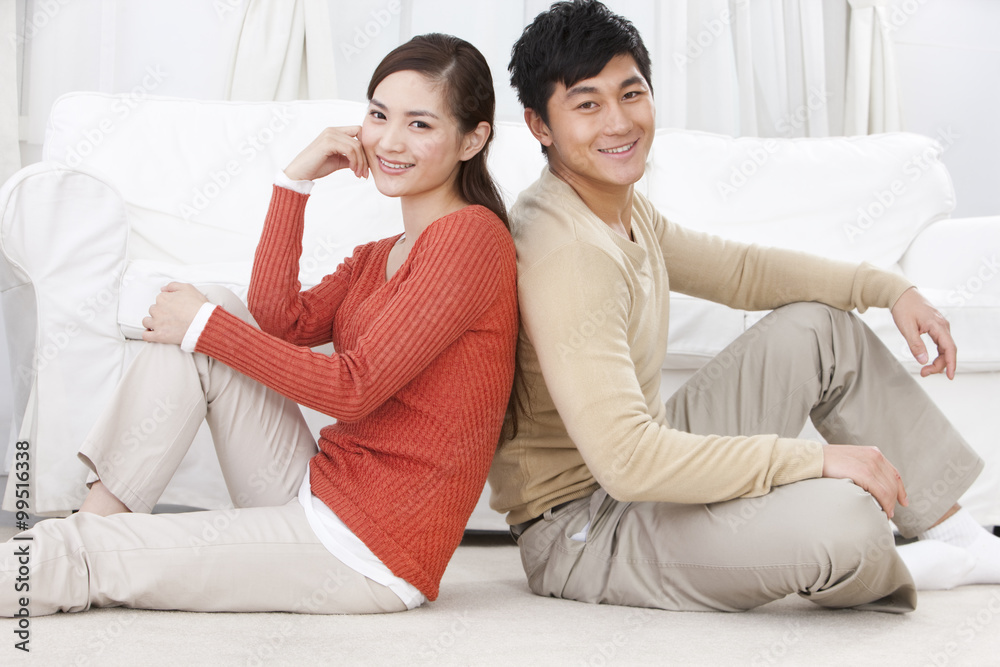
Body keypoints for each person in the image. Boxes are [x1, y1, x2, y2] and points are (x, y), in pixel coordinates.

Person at [488, 0, 1000, 613]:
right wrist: (815, 460)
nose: (619, 123)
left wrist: (888, 288)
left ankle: (956, 538)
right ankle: (908, 558)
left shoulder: (618, 207)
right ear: (540, 126)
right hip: (586, 530)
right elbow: (626, 462)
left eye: (631, 94)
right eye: (587, 104)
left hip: (644, 480)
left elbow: (742, 271)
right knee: (846, 522)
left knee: (820, 327)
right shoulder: (565, 246)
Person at [0, 32, 518, 616]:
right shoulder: (383, 253)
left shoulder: (472, 240)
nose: (390, 141)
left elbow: (354, 388)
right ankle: (98, 521)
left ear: (473, 139)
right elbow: (282, 322)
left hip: (365, 551)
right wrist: (293, 183)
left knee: (89, 557)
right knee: (211, 307)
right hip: (320, 493)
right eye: (378, 115)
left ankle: (81, 544)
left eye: (420, 124)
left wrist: (203, 325)